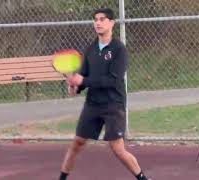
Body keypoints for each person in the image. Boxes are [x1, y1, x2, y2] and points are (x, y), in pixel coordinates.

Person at [58, 8, 150, 180]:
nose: (98, 23)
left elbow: (112, 81)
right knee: (77, 143)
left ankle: (143, 178)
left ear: (111, 23)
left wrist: (82, 81)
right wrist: (74, 87)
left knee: (117, 148)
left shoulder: (119, 49)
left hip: (113, 104)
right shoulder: (91, 49)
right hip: (93, 104)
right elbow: (83, 79)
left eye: (102, 19)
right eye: (95, 19)